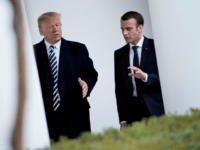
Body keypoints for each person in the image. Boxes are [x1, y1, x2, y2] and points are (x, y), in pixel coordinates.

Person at [33, 12, 98, 141]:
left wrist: (86, 84)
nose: (56, 29)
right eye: (50, 27)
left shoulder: (78, 49)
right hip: (46, 117)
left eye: (57, 25)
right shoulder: (32, 52)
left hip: (76, 112)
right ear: (41, 31)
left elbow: (91, 73)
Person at [114, 11, 165, 130]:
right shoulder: (119, 54)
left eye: (128, 29)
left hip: (155, 109)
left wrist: (145, 77)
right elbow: (120, 89)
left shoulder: (156, 46)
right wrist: (123, 119)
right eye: (122, 29)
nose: (124, 33)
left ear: (140, 28)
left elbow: (167, 79)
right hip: (132, 111)